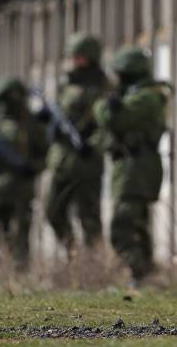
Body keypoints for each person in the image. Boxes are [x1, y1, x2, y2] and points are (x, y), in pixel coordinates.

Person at [93, 47, 169, 286]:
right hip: (129, 167)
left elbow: (113, 119)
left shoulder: (147, 96)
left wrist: (107, 107)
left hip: (138, 168)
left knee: (122, 227)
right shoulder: (134, 94)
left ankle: (140, 272)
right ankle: (147, 276)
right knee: (137, 225)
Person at [45, 33, 110, 258]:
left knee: (89, 216)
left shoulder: (103, 87)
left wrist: (92, 145)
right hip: (62, 160)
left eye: (81, 57)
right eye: (74, 57)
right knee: (53, 211)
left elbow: (107, 125)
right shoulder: (66, 84)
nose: (76, 61)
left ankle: (94, 265)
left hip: (87, 162)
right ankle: (72, 252)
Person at [0, 77, 48, 268]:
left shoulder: (31, 124)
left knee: (21, 233)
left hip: (21, 189)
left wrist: (33, 167)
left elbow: (44, 153)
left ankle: (19, 271)